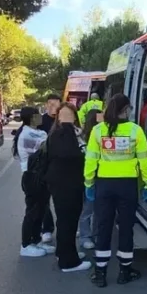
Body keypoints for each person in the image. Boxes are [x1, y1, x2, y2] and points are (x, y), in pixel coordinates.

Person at [84, 93, 147, 287]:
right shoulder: (135, 130)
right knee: (126, 227)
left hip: (104, 184)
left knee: (103, 226)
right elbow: (145, 160)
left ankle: (100, 273)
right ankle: (125, 271)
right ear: (126, 109)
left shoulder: (98, 130)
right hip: (127, 185)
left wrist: (89, 183)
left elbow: (91, 159)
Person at [43, 103, 92, 273]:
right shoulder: (62, 134)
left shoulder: (74, 133)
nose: (67, 118)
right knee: (67, 221)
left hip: (71, 182)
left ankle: (65, 252)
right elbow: (69, 155)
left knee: (68, 221)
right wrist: (68, 126)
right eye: (63, 115)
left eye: (69, 114)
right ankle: (68, 262)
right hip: (65, 184)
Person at [14, 106, 51, 257]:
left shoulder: (38, 132)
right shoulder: (27, 135)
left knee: (41, 210)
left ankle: (36, 240)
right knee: (33, 211)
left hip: (41, 175)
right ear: (32, 118)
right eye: (38, 114)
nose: (41, 116)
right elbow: (46, 149)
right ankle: (26, 244)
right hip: (32, 176)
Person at [37, 92, 61, 244]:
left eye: (55, 104)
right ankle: (46, 229)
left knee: (62, 200)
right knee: (44, 199)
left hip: (61, 166)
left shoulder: (64, 120)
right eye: (50, 104)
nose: (52, 107)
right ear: (46, 105)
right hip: (44, 166)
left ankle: (64, 226)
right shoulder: (40, 120)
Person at [78, 109, 103, 250]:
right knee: (88, 209)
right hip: (87, 177)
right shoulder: (81, 138)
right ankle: (85, 236)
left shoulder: (105, 135)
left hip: (102, 176)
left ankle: (95, 234)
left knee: (98, 209)